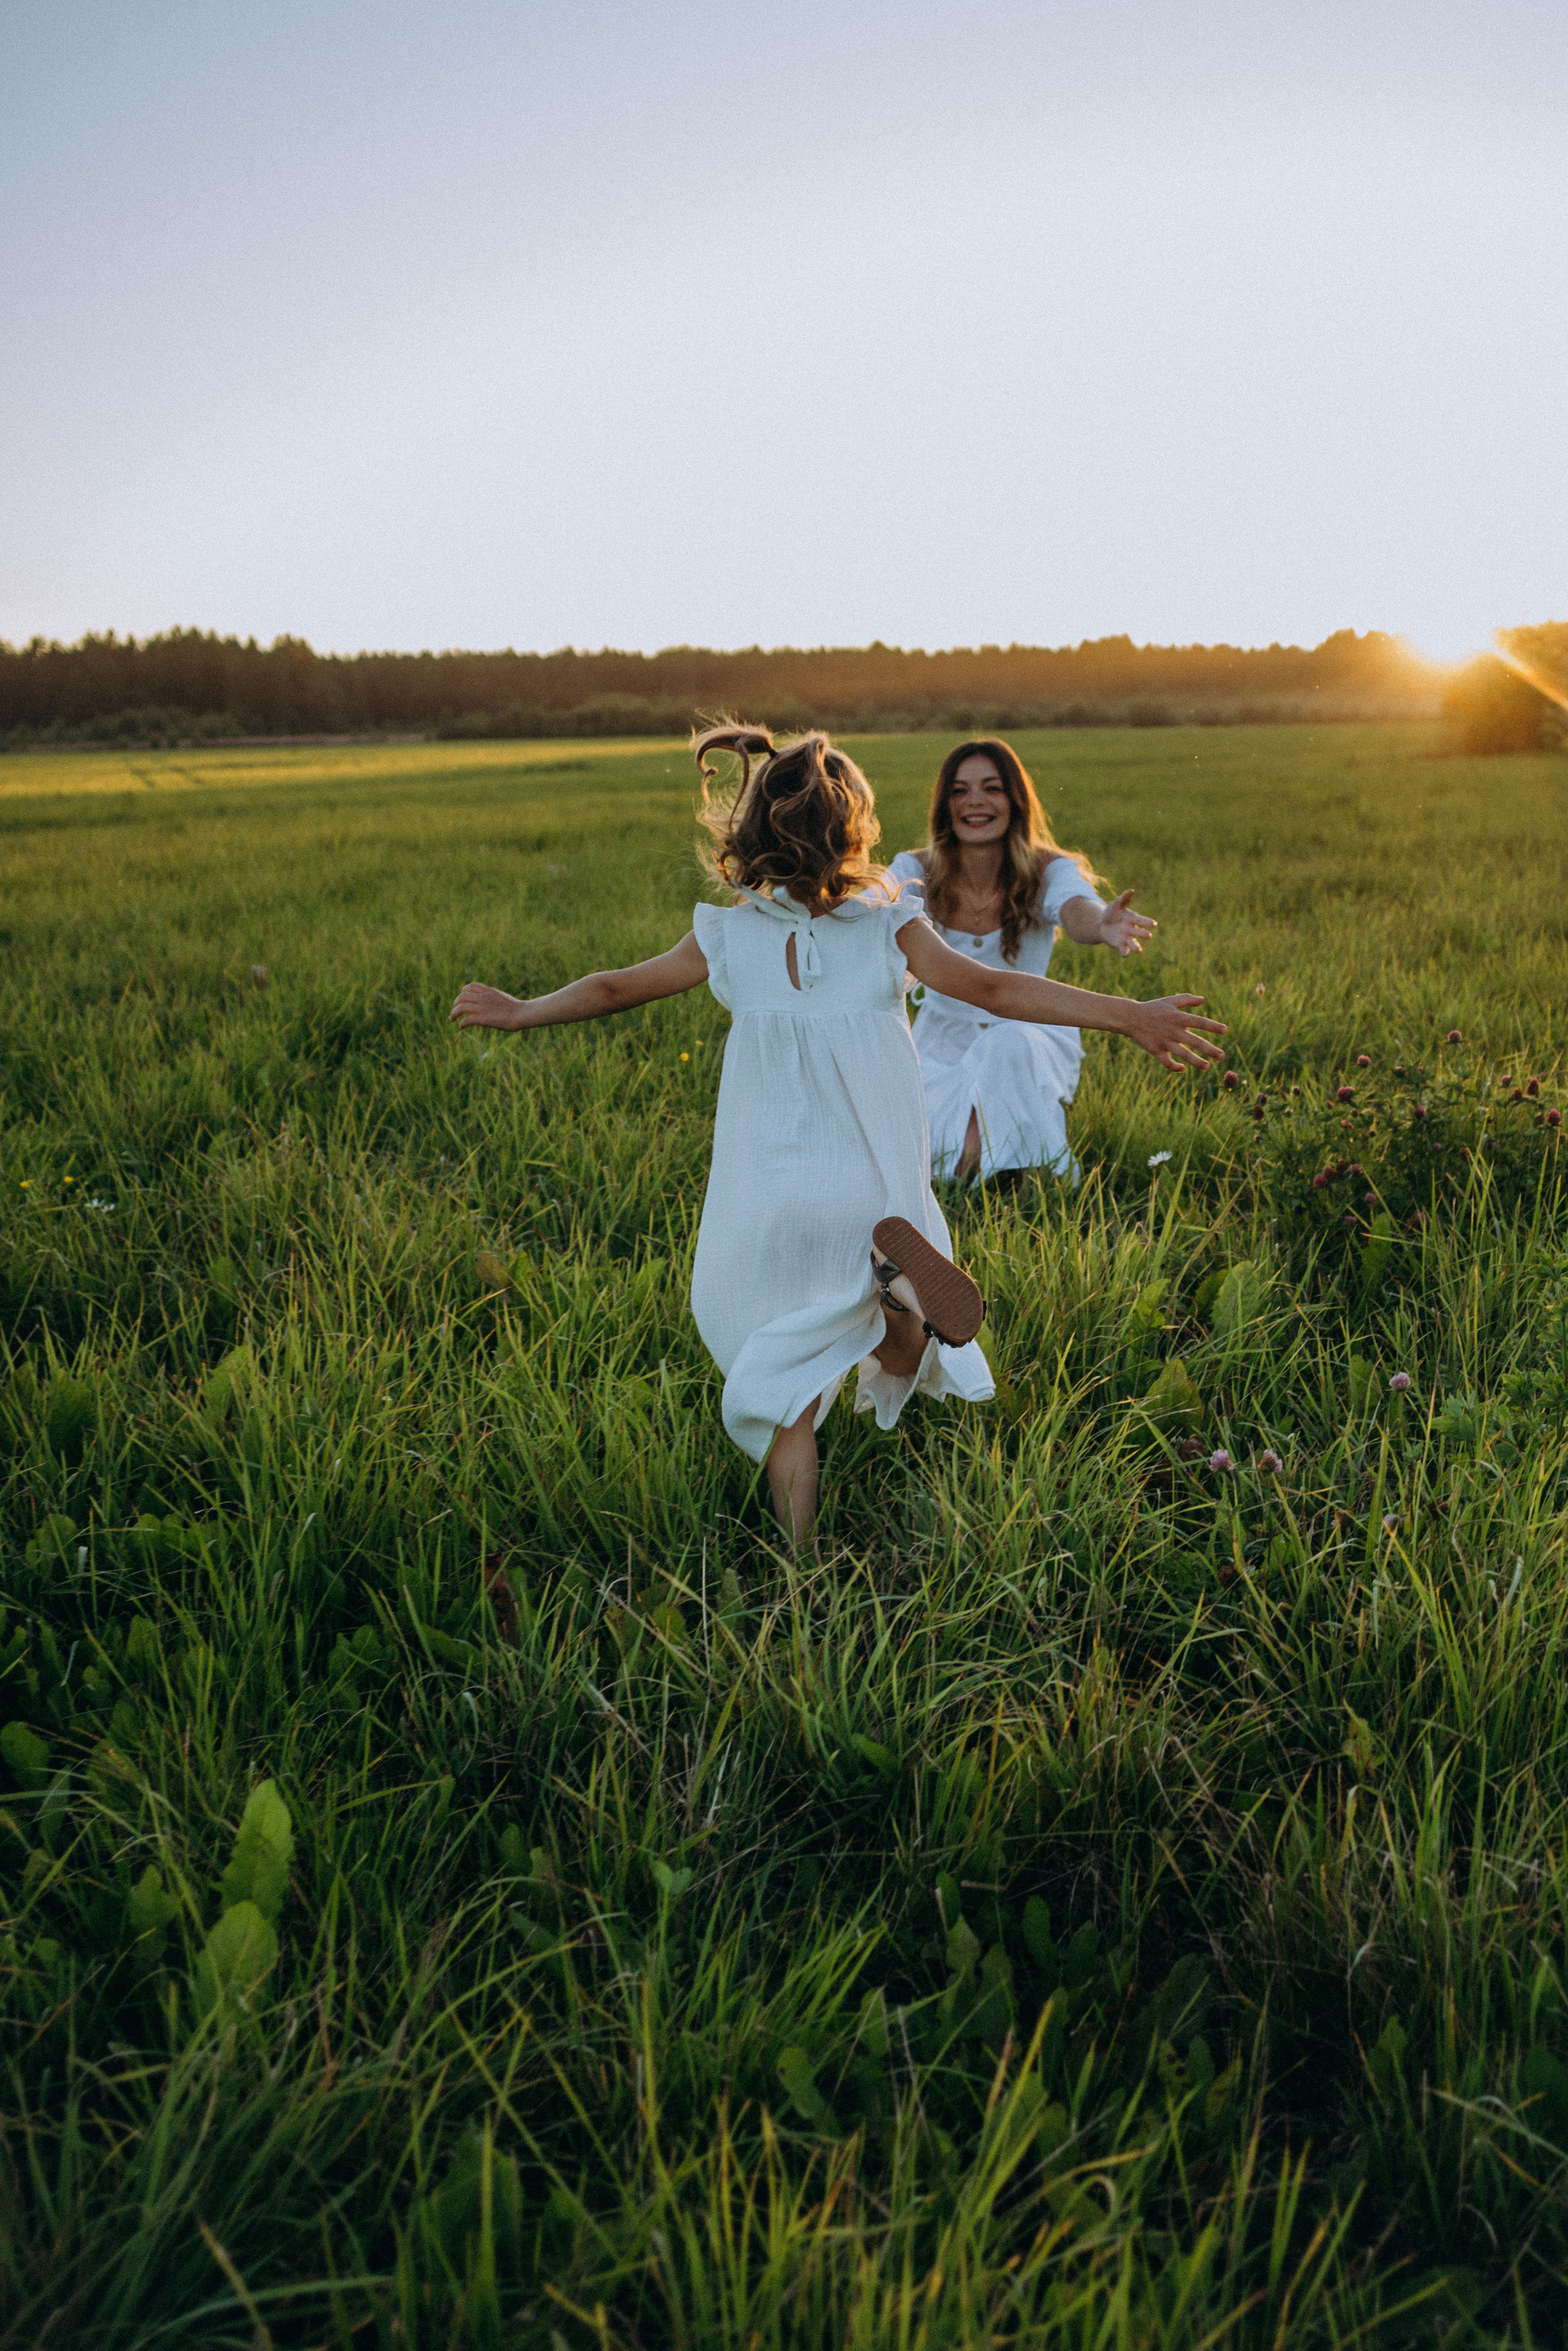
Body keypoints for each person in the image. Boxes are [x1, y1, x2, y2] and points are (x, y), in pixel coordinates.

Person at [450, 724, 1224, 1546]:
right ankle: (900, 1321)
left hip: (768, 1191)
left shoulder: (725, 935)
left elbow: (613, 987)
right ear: (855, 835)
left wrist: (522, 1010)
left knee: (778, 1371)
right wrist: (1129, 1016)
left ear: (748, 835)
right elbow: (994, 988)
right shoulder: (889, 923)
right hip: (871, 1179)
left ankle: (800, 1564)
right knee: (875, 1288)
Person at [889, 738, 1154, 1183]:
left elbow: (1076, 908)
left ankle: (1020, 1178)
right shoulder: (918, 868)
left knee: (1006, 1048)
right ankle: (1005, 1169)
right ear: (944, 805)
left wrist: (1101, 923)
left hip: (1029, 1035)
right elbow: (879, 893)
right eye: (960, 790)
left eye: (991, 788)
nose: (975, 801)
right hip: (939, 1042)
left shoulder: (1047, 868)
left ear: (1015, 800)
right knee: (930, 1161)